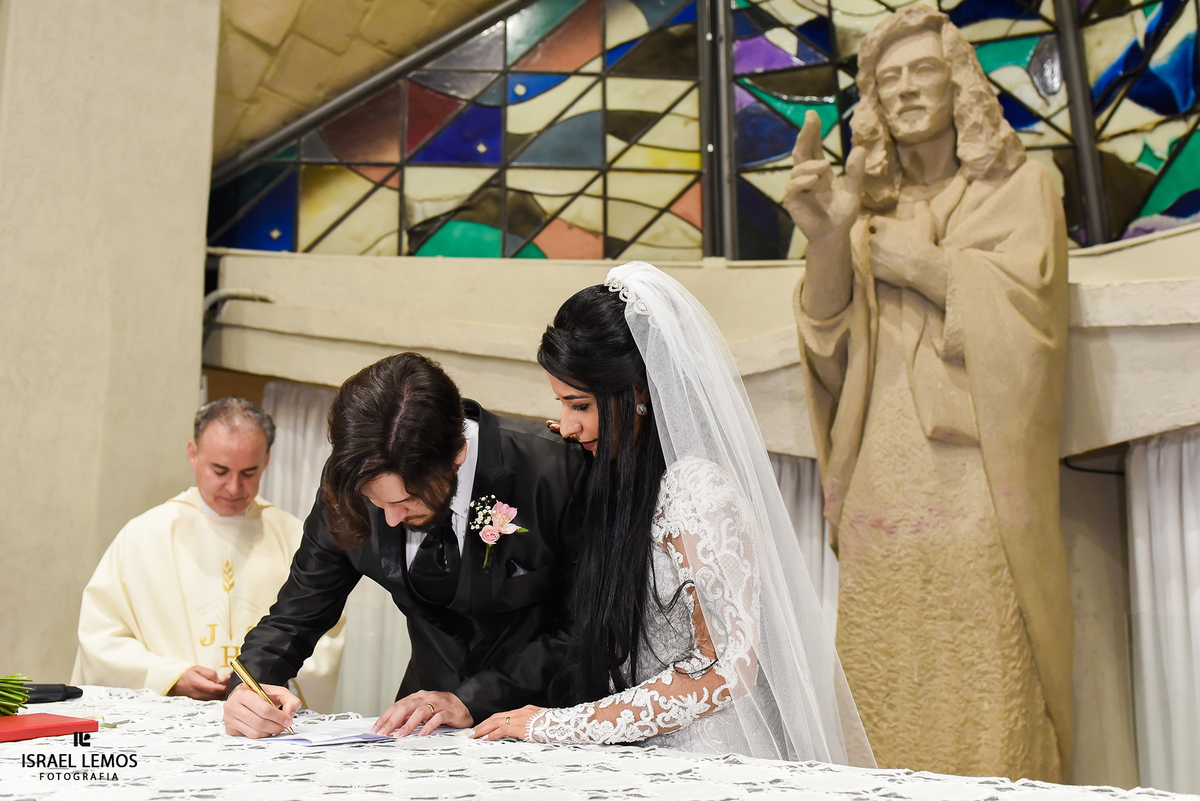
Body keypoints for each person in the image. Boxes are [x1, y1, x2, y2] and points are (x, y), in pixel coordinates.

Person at [783, 5, 1071, 781]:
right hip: (883, 472)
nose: (905, 91)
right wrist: (828, 241)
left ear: (959, 84)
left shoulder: (1023, 190)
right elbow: (828, 346)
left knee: (989, 665)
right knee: (883, 662)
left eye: (923, 71)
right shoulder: (857, 206)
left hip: (979, 473)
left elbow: (1035, 332)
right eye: (887, 80)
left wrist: (920, 267)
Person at [471, 261, 874, 766]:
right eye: (561, 404)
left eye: (580, 405)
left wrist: (556, 724)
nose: (567, 425)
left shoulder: (695, 491)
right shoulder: (621, 478)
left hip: (710, 754)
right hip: (643, 743)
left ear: (638, 390)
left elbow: (726, 667)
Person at [222, 352, 588, 738]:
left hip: (538, 725)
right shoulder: (351, 482)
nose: (391, 519)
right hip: (419, 732)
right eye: (378, 503)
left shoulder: (556, 472)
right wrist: (250, 687)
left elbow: (586, 631)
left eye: (405, 501)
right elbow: (298, 612)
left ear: (457, 454)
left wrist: (473, 699)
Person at [72, 397, 344, 710]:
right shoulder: (143, 536)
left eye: (249, 472)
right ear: (193, 453)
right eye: (220, 470)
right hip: (168, 718)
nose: (233, 487)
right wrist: (170, 676)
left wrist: (269, 677)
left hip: (263, 721)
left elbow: (326, 633)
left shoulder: (295, 536)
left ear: (267, 459)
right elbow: (100, 636)